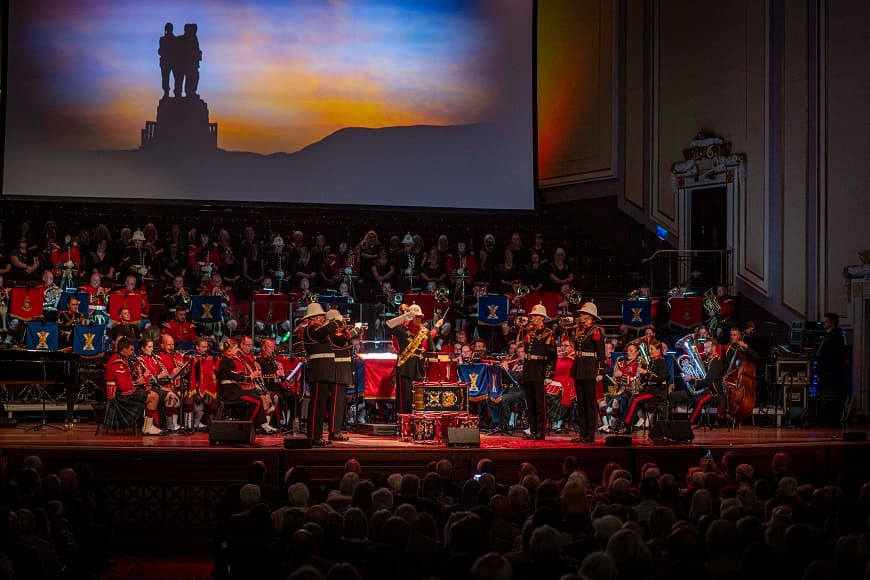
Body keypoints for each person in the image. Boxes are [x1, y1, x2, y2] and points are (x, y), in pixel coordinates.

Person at [104, 338, 161, 435]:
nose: (132, 352)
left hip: (123, 393)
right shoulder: (118, 362)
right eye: (131, 350)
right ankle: (147, 427)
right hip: (119, 398)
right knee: (154, 397)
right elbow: (124, 387)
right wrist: (138, 381)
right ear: (124, 350)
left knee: (152, 392)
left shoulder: (122, 359)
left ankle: (148, 426)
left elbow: (126, 378)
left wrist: (138, 374)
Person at [301, 302, 339, 445]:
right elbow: (324, 331)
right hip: (317, 373)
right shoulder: (310, 329)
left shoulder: (318, 329)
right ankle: (313, 436)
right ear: (313, 318)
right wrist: (334, 320)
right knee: (316, 406)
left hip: (324, 373)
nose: (322, 319)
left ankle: (318, 436)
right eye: (320, 317)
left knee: (321, 406)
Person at [217, 339, 273, 435]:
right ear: (229, 350)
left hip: (234, 391)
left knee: (257, 398)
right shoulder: (226, 361)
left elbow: (237, 375)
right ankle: (246, 427)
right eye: (236, 348)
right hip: (230, 393)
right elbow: (236, 377)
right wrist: (251, 377)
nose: (237, 350)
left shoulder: (228, 360)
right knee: (257, 401)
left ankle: (262, 424)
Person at [385, 304, 431, 419]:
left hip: (420, 371)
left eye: (420, 317)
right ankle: (403, 424)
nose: (418, 319)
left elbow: (431, 350)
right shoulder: (401, 330)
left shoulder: (425, 332)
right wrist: (404, 317)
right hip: (405, 370)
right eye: (415, 317)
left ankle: (417, 423)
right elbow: (386, 325)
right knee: (404, 400)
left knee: (419, 400)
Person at [520, 304, 556, 441]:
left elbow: (552, 357)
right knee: (531, 403)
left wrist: (549, 375)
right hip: (529, 370)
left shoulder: (548, 334)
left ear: (541, 318)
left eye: (534, 316)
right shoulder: (530, 333)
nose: (532, 318)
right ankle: (533, 430)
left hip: (540, 370)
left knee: (539, 404)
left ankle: (540, 432)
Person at [327, 310, 364, 442]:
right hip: (337, 371)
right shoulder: (333, 334)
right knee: (336, 403)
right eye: (340, 321)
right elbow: (344, 338)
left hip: (342, 370)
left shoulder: (338, 332)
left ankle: (336, 430)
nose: (342, 323)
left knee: (340, 402)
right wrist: (357, 327)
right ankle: (334, 431)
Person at [571, 302, 606, 443]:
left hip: (590, 368)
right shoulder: (581, 330)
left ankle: (590, 434)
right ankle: (582, 432)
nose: (581, 316)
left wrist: (600, 370)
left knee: (590, 403)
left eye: (583, 314)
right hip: (579, 368)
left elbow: (601, 353)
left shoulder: (595, 331)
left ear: (590, 316)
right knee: (581, 403)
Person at [619, 339, 669, 434]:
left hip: (657, 393)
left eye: (652, 349)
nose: (649, 351)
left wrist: (646, 372)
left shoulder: (662, 362)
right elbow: (648, 379)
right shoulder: (652, 362)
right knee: (631, 396)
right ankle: (628, 424)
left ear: (658, 350)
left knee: (635, 399)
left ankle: (627, 424)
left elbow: (661, 378)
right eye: (649, 349)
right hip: (650, 391)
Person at [683, 338, 724, 425]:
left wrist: (692, 379)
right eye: (704, 348)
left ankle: (690, 422)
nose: (704, 350)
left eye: (707, 348)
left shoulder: (716, 362)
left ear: (714, 347)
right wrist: (690, 365)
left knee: (699, 400)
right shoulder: (707, 360)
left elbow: (708, 381)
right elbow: (700, 375)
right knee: (690, 395)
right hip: (706, 390)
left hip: (714, 392)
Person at [817, 312, 848, 418]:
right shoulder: (830, 335)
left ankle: (831, 417)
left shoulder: (836, 336)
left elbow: (834, 354)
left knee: (831, 395)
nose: (823, 323)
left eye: (826, 321)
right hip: (828, 370)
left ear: (832, 322)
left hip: (831, 371)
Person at [159, 22, 177, 97]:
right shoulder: (162, 39)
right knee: (165, 78)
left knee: (176, 78)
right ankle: (166, 92)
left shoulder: (175, 39)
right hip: (166, 62)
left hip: (173, 61)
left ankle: (176, 93)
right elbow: (160, 51)